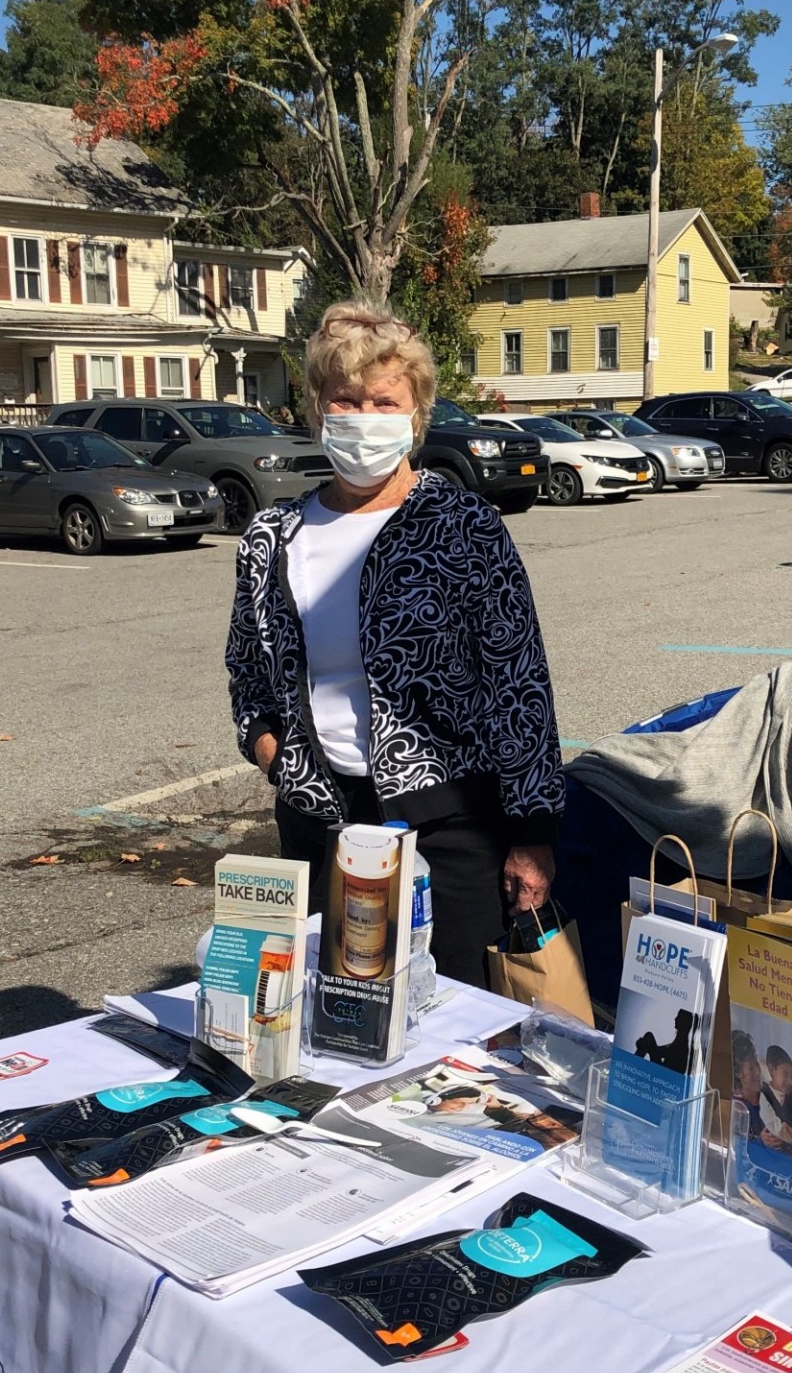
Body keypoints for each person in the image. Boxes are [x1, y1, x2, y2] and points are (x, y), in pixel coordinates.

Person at [225, 302, 564, 986]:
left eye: (384, 401)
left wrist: (532, 833)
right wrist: (274, 755)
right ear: (318, 407)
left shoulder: (462, 524)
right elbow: (247, 672)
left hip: (450, 824)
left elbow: (517, 679)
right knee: (335, 1020)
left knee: (463, 1024)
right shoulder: (272, 536)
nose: (363, 415)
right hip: (320, 825)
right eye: (346, 399)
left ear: (415, 415)